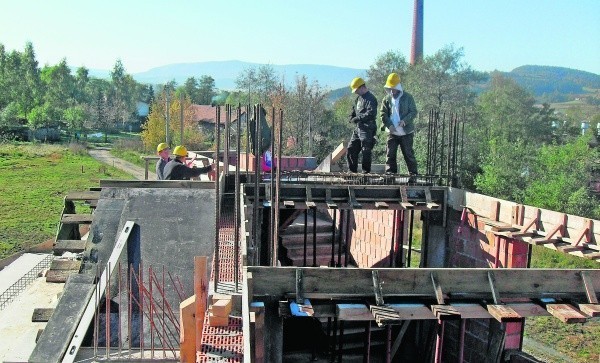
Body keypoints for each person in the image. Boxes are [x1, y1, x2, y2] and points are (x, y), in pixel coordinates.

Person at [379, 73, 418, 178]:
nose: (392, 91)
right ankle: (390, 175)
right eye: (390, 88)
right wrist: (389, 125)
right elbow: (383, 114)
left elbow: (413, 112)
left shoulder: (408, 97)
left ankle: (413, 175)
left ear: (398, 87)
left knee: (408, 155)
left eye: (393, 88)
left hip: (406, 132)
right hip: (392, 132)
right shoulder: (386, 99)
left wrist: (404, 121)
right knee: (390, 154)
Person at [346, 77, 378, 173]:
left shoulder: (371, 99)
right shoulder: (358, 99)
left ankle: (365, 173)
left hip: (367, 128)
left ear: (362, 87)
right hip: (358, 128)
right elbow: (355, 110)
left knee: (366, 151)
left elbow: (371, 113)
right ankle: (351, 172)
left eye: (356, 90)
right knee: (351, 149)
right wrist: (352, 116)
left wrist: (358, 118)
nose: (355, 92)